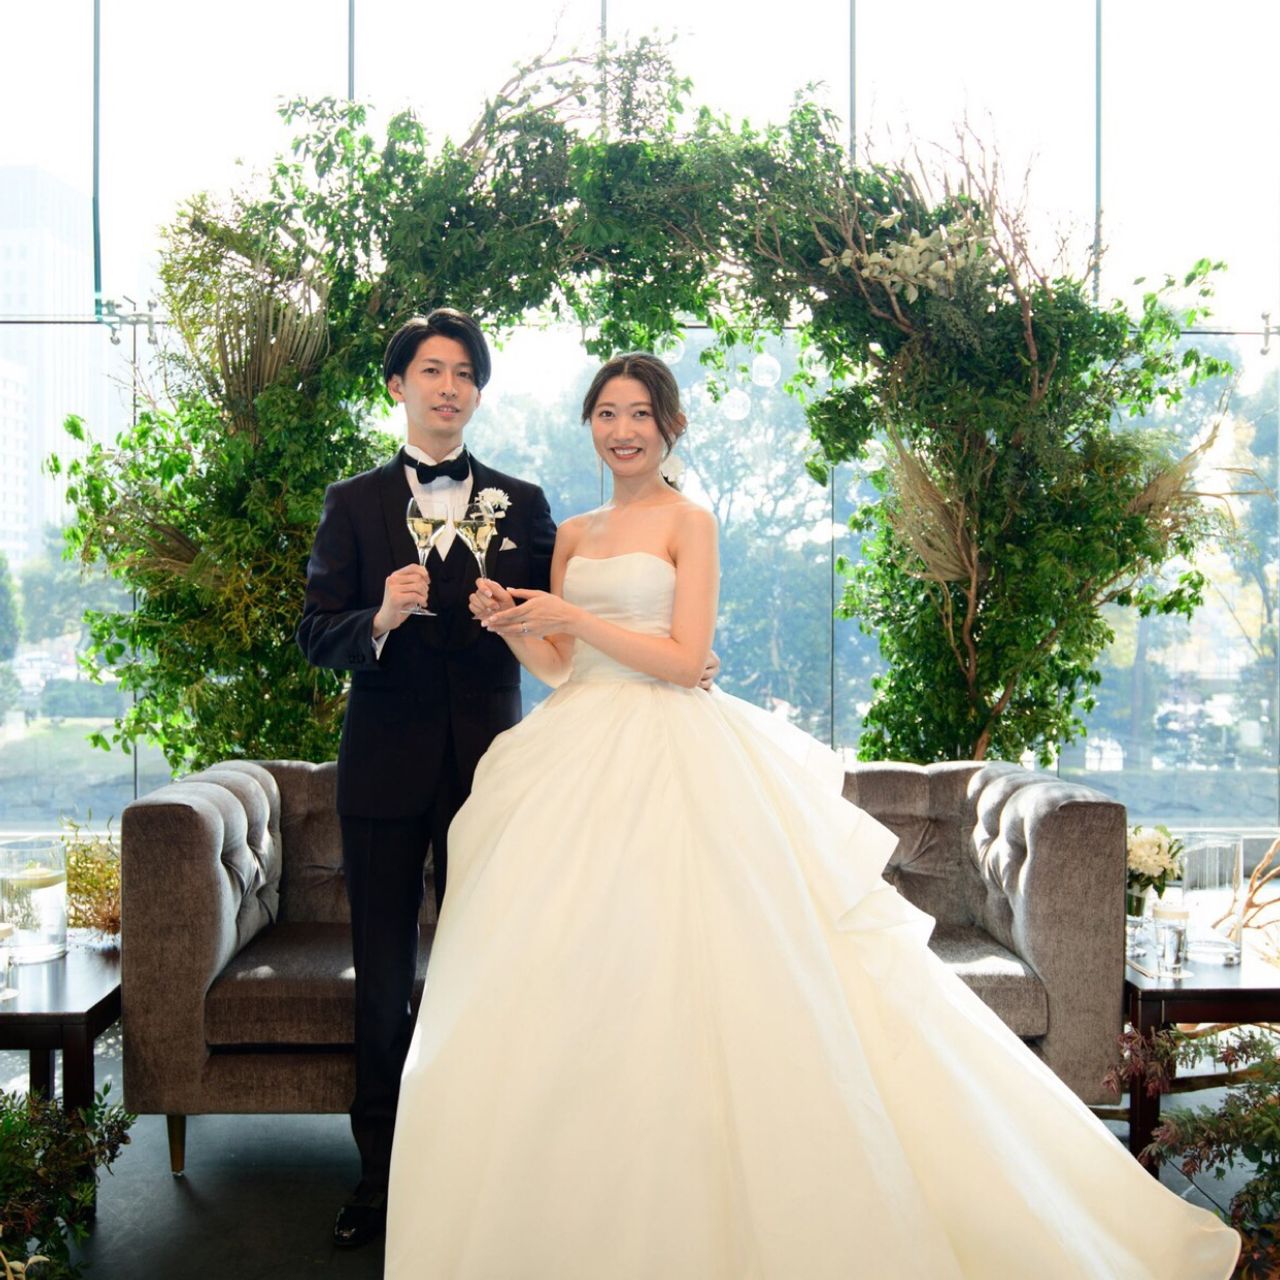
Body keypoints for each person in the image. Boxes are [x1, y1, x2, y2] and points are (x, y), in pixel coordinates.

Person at [383, 353, 1240, 1277]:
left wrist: (575, 619)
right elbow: (565, 670)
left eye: (639, 414)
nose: (622, 431)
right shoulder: (576, 532)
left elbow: (686, 659)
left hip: (673, 754)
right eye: (606, 414)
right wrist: (520, 625)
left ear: (669, 427)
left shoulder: (689, 521)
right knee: (571, 980)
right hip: (572, 754)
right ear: (589, 425)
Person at [296, 308, 557, 1249]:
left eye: (465, 373)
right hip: (381, 773)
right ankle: (381, 1177)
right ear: (399, 385)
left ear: (478, 392)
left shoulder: (524, 502)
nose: (450, 387)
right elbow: (314, 633)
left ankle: (487, 1171)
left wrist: (513, 614)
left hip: (492, 774)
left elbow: (561, 621)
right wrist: (377, 616)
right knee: (383, 979)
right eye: (433, 370)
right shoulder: (352, 503)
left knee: (488, 971)